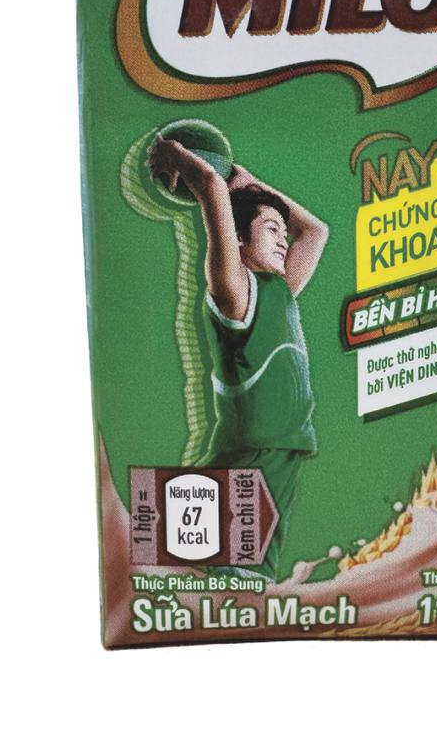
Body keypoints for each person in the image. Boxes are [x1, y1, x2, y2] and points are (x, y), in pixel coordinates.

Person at [147, 134, 329, 579]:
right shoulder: (235, 292)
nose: (284, 240)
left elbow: (316, 231)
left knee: (234, 574)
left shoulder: (281, 290)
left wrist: (254, 186)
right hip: (251, 455)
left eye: (283, 232)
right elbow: (210, 185)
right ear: (240, 239)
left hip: (280, 451)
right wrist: (177, 157)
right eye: (270, 230)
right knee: (233, 575)